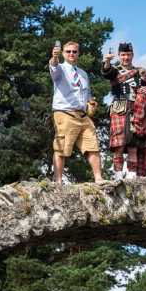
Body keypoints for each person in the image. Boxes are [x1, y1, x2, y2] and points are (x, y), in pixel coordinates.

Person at [49, 41, 104, 184]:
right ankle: (59, 181)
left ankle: (98, 178)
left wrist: (91, 103)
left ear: (78, 53)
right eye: (68, 52)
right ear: (63, 53)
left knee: (93, 146)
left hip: (83, 115)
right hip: (65, 113)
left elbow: (87, 93)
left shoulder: (83, 74)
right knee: (62, 148)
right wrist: (54, 57)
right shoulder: (60, 69)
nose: (71, 54)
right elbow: (53, 66)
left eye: (74, 51)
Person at [102, 42, 146, 179]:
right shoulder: (114, 70)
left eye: (128, 55)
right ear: (119, 56)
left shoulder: (141, 73)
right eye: (123, 55)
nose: (126, 57)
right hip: (119, 109)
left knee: (133, 145)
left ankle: (132, 177)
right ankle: (118, 177)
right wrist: (107, 61)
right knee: (118, 145)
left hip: (136, 110)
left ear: (132, 55)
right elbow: (106, 73)